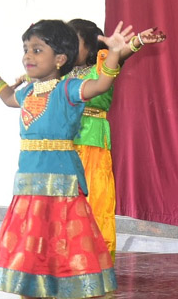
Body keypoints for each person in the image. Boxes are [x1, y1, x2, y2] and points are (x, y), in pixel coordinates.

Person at [0, 20, 136, 299]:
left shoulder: (68, 90)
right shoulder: (28, 92)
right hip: (28, 190)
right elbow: (7, 96)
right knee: (26, 254)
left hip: (61, 192)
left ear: (60, 58)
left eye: (37, 50)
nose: (27, 56)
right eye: (25, 50)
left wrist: (115, 55)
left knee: (62, 254)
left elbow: (100, 85)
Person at [67, 18, 166, 253]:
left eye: (74, 42)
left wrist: (138, 41)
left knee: (94, 203)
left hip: (93, 145)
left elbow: (119, 55)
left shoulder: (102, 64)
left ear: (90, 45)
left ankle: (93, 259)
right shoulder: (61, 71)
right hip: (64, 145)